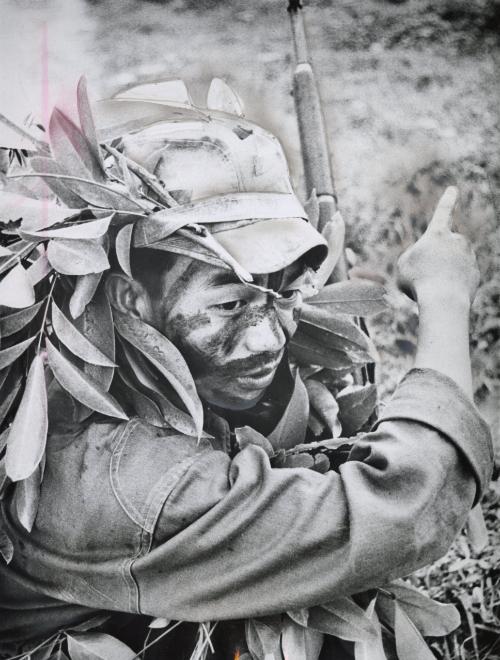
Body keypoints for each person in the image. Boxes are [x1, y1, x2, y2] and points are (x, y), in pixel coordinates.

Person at [0, 85, 493, 660]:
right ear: (131, 300)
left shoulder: (85, 347)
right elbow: (399, 509)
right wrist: (445, 294)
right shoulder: (123, 475)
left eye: (284, 293)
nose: (269, 339)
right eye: (231, 304)